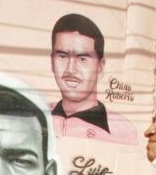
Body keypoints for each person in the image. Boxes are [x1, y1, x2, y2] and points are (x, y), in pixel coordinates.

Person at [49, 14, 139, 144]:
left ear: (100, 68)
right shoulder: (36, 116)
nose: (70, 69)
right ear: (52, 62)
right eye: (62, 56)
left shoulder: (122, 131)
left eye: (82, 59)